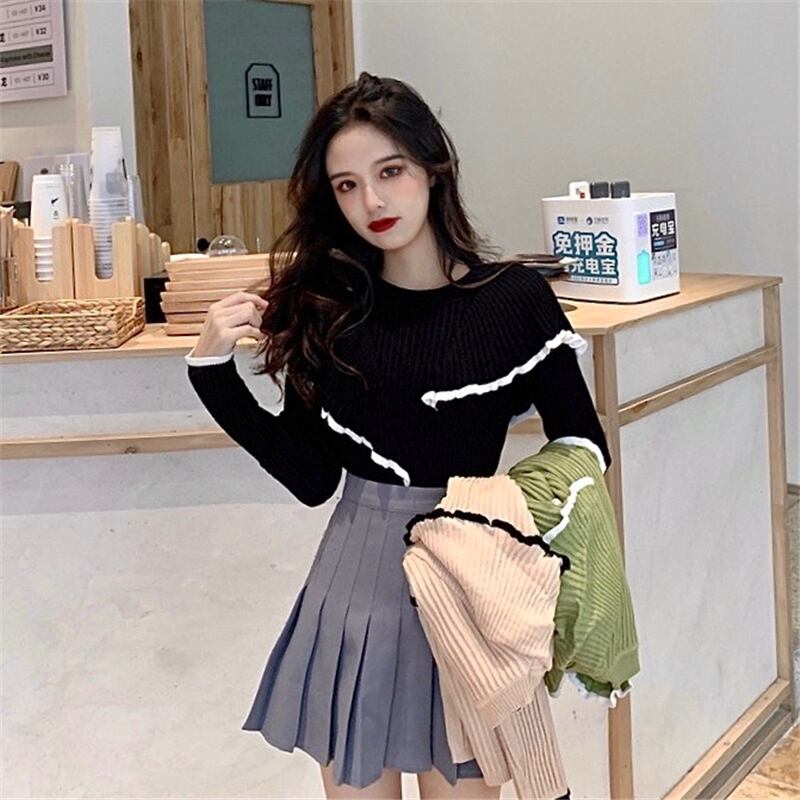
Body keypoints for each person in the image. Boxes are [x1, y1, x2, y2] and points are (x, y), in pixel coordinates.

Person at [185, 71, 609, 800]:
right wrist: (212, 375)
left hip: (470, 583)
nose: (373, 203)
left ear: (433, 169)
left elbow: (584, 444)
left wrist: (498, 518)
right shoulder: (329, 309)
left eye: (390, 172)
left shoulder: (513, 300)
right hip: (356, 589)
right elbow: (313, 479)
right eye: (347, 186)